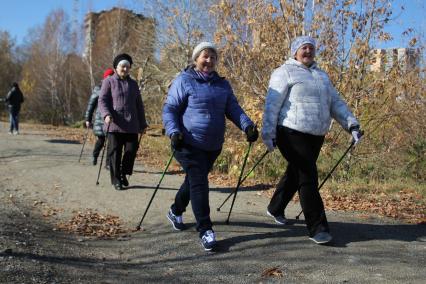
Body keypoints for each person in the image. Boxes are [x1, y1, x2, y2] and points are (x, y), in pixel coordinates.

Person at [261, 36, 362, 245]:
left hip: (316, 135)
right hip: (289, 131)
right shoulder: (284, 72)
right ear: (295, 51)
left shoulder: (321, 76)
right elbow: (272, 105)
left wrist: (351, 124)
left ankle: (275, 207)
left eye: (311, 48)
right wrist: (268, 133)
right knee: (308, 175)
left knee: (296, 172)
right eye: (303, 48)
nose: (307, 51)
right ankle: (317, 228)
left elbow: (335, 102)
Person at [162, 41, 259, 251]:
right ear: (196, 58)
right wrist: (173, 132)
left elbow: (233, 108)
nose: (209, 60)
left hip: (212, 145)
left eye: (213, 57)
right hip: (187, 142)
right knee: (199, 183)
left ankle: (175, 210)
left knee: (193, 181)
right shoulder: (184, 80)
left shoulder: (222, 84)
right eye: (205, 56)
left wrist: (247, 126)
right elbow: (170, 109)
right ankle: (205, 229)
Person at [98, 53, 148, 190]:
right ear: (116, 67)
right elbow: (102, 100)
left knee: (131, 151)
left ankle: (123, 173)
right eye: (122, 66)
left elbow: (139, 105)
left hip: (132, 124)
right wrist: (106, 115)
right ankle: (116, 180)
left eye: (127, 66)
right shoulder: (109, 82)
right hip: (115, 123)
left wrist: (143, 123)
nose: (125, 69)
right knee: (115, 153)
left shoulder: (133, 84)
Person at [84, 68, 115, 166]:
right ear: (105, 78)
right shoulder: (99, 88)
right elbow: (91, 104)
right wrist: (88, 119)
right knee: (101, 140)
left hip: (112, 119)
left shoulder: (116, 88)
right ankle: (95, 156)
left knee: (112, 142)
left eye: (112, 76)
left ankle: (108, 163)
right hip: (100, 119)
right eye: (109, 76)